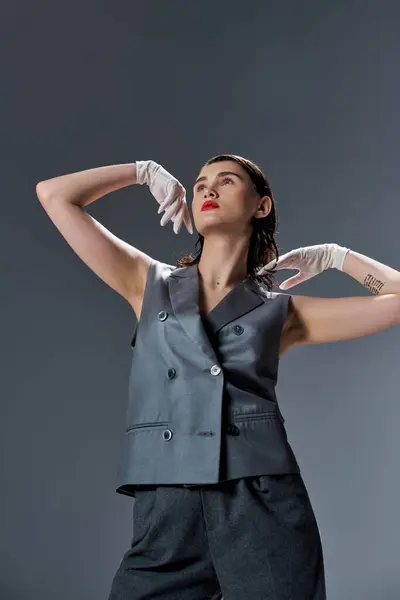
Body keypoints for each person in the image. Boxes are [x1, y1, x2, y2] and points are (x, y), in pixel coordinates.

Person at [36, 155, 400, 599]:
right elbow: (54, 195)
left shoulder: (280, 311)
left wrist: (338, 257)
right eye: (200, 183)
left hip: (259, 494)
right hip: (167, 497)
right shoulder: (148, 283)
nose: (207, 190)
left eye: (226, 181)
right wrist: (140, 171)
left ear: (260, 206)